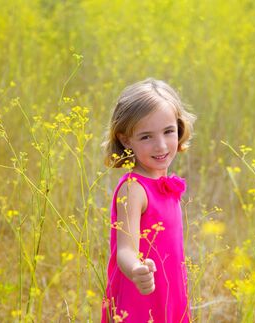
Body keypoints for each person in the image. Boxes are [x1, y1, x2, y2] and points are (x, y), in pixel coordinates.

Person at [101, 78, 196, 322]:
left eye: (168, 131)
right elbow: (125, 249)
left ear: (179, 127)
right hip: (141, 292)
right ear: (125, 140)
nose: (161, 145)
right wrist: (136, 269)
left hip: (169, 288)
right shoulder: (134, 189)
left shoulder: (164, 184)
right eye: (146, 137)